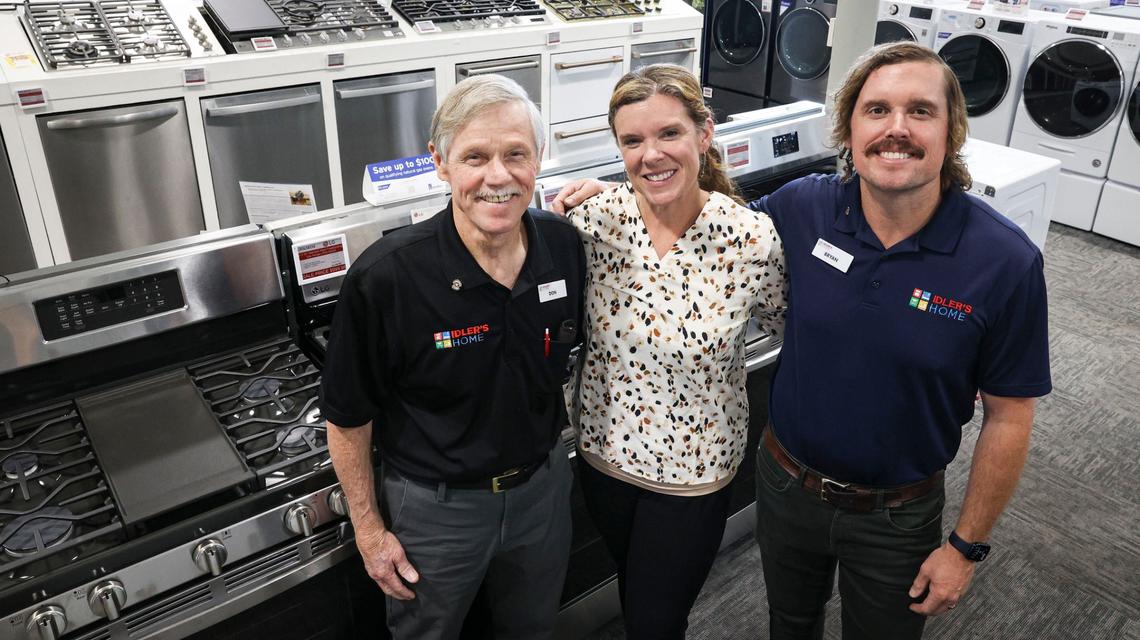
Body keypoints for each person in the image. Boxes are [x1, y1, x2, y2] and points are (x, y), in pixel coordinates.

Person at [554, 42, 1051, 639]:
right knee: (788, 624)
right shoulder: (803, 208)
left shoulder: (1003, 261)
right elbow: (694, 222)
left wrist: (966, 547)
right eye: (876, 111)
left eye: (920, 111)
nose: (896, 129)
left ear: (952, 129)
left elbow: (1010, 417)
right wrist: (594, 190)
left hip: (897, 510)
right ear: (847, 127)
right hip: (786, 487)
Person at [320, 74, 585, 640]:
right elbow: (346, 419)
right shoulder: (388, 277)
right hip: (434, 513)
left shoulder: (563, 246)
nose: (498, 176)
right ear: (440, 164)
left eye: (516, 154)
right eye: (475, 157)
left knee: (534, 630)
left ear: (539, 157)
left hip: (542, 491)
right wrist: (369, 530)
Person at [557, 64, 787, 639]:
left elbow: (793, 328)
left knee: (658, 620)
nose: (650, 154)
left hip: (693, 475)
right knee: (635, 593)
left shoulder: (750, 238)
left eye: (668, 134)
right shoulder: (592, 221)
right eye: (632, 141)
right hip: (604, 459)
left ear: (703, 136)